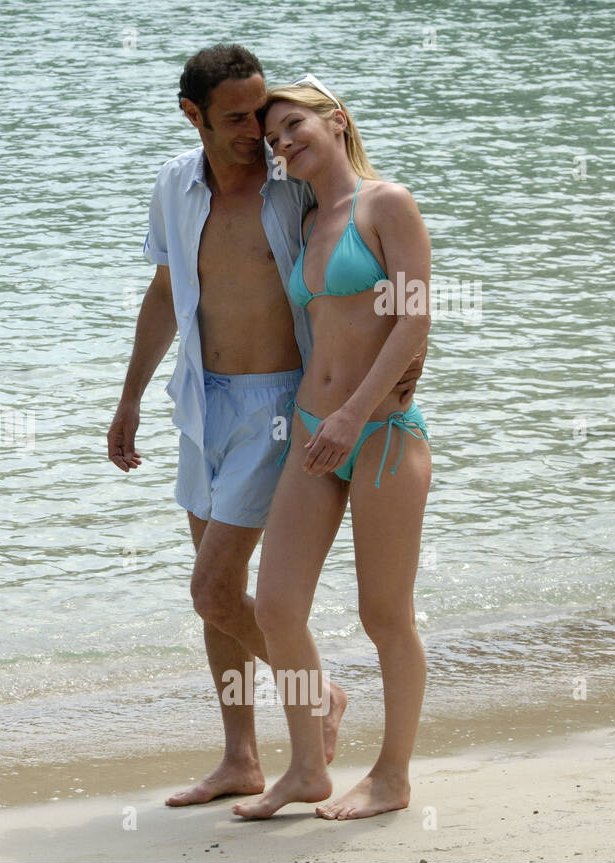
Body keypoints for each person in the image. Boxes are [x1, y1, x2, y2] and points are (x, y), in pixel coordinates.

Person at [108, 47, 424, 807]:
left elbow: (395, 297)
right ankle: (241, 756)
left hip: (285, 409)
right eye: (240, 118)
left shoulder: (298, 192)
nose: (260, 134)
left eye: (270, 117)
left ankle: (326, 710)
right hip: (202, 401)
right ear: (195, 116)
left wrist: (375, 388)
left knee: (216, 586)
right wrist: (130, 397)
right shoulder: (175, 186)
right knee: (228, 595)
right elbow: (163, 290)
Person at [231, 74, 432, 820]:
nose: (283, 144)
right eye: (273, 137)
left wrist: (355, 411)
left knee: (386, 615)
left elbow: (413, 319)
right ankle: (308, 767)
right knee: (279, 604)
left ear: (336, 119)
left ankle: (392, 775)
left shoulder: (388, 204)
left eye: (293, 127)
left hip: (379, 434)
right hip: (313, 435)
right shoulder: (309, 220)